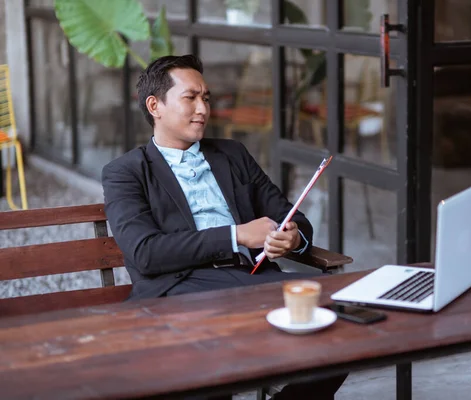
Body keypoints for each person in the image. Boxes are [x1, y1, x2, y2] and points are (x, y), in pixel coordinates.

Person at [101, 54, 346, 400]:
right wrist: (236, 235)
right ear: (155, 105)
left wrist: (292, 239)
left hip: (251, 278)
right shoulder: (126, 171)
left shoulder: (231, 154)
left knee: (339, 319)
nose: (203, 108)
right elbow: (145, 253)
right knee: (211, 358)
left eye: (206, 98)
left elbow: (288, 214)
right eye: (191, 98)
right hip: (180, 287)